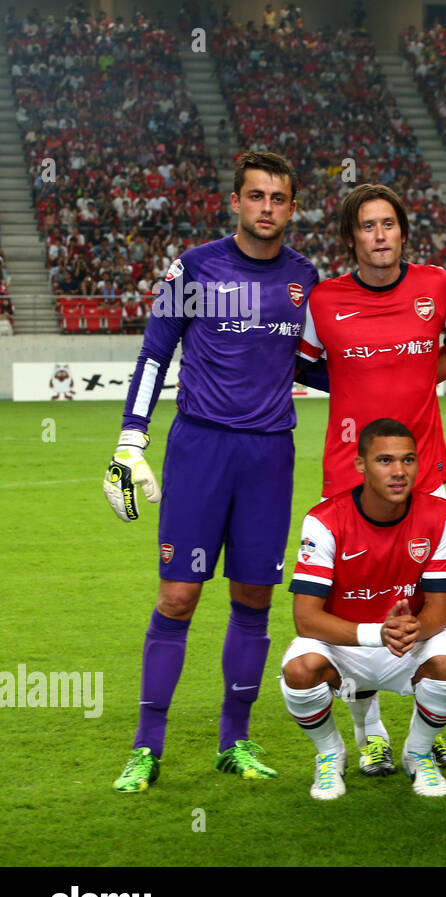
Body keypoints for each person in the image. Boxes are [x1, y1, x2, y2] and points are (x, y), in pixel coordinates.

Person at [106, 151, 317, 792]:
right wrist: (129, 441)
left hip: (268, 455)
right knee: (178, 595)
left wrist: (398, 376)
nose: (266, 208)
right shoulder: (195, 267)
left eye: (278, 198)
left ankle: (236, 740)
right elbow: (154, 351)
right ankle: (147, 747)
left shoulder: (305, 278)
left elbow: (311, 365)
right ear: (236, 201)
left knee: (254, 598)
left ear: (291, 206)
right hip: (200, 451)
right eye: (255, 196)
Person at [297, 183, 446, 775]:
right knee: (357, 605)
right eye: (367, 226)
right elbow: (304, 361)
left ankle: (425, 724)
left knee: (424, 602)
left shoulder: (436, 285)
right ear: (351, 238)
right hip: (349, 475)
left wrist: (424, 376)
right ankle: (369, 731)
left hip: (426, 472)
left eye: (389, 224)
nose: (380, 235)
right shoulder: (322, 301)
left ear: (402, 231)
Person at [281, 419, 446, 799]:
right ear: (361, 465)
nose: (399, 472)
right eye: (384, 460)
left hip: (405, 643)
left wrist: (416, 628)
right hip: (346, 645)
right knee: (298, 671)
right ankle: (330, 756)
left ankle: (418, 753)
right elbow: (306, 618)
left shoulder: (439, 515)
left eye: (408, 460)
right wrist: (375, 633)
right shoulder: (324, 520)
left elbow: (438, 610)